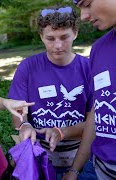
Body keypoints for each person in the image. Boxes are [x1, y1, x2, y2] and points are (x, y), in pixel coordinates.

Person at [7, 6, 96, 178]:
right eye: (50, 38)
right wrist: (24, 124)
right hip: (39, 156)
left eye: (64, 37)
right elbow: (18, 109)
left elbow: (94, 123)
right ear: (41, 36)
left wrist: (61, 132)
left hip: (80, 157)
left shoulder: (89, 69)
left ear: (75, 33)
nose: (58, 45)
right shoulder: (28, 67)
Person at [63, 1, 116, 179]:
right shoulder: (99, 49)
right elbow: (98, 107)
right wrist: (74, 169)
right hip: (101, 168)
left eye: (87, 3)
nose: (84, 15)